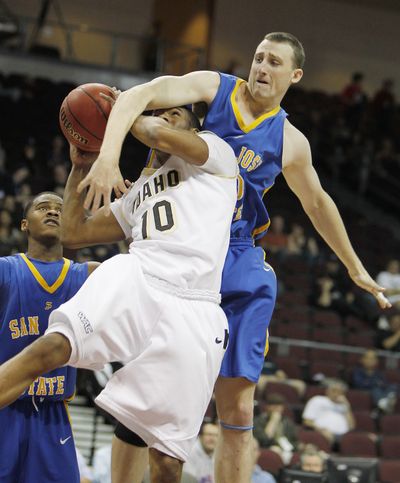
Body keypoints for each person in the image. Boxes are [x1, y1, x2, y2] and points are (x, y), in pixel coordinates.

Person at [74, 32, 390, 483]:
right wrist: (108, 157)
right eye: (259, 57)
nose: (262, 67)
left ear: (294, 75)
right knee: (148, 396)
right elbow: (141, 95)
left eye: (274, 62)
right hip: (184, 248)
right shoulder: (214, 87)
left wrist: (355, 267)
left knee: (239, 406)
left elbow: (318, 203)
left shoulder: (290, 141)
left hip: (238, 256)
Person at [0, 106, 238, 483]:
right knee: (51, 348)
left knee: (166, 460)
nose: (162, 116)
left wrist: (123, 106)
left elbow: (156, 134)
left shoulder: (217, 153)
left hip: (195, 306)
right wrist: (81, 165)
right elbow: (74, 233)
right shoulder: (140, 190)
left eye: (173, 113)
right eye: (158, 112)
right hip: (139, 274)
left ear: (195, 129)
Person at [0, 191, 99, 482]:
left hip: (53, 413)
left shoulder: (90, 275)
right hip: (5, 406)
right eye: (43, 207)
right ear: (24, 225)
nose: (53, 212)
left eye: (59, 209)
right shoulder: (6, 270)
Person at [302, 379, 355, 446]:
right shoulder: (317, 400)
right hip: (323, 433)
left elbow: (351, 427)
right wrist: (321, 430)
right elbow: (307, 421)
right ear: (327, 391)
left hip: (344, 437)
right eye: (334, 391)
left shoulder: (344, 406)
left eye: (340, 392)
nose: (336, 394)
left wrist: (347, 406)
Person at [253, 393, 298, 464]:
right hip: (266, 449)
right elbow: (264, 440)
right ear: (267, 407)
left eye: (279, 406)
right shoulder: (258, 421)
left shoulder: (287, 422)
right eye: (273, 406)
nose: (276, 408)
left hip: (286, 451)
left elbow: (295, 442)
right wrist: (273, 421)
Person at [351, 349, 397, 413]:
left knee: (394, 386)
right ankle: (383, 403)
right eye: (368, 358)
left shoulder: (379, 373)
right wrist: (374, 383)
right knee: (376, 389)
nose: (370, 361)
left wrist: (376, 383)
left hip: (380, 391)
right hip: (367, 391)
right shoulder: (357, 371)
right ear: (362, 359)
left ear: (376, 361)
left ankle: (385, 402)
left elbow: (385, 384)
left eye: (373, 358)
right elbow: (359, 384)